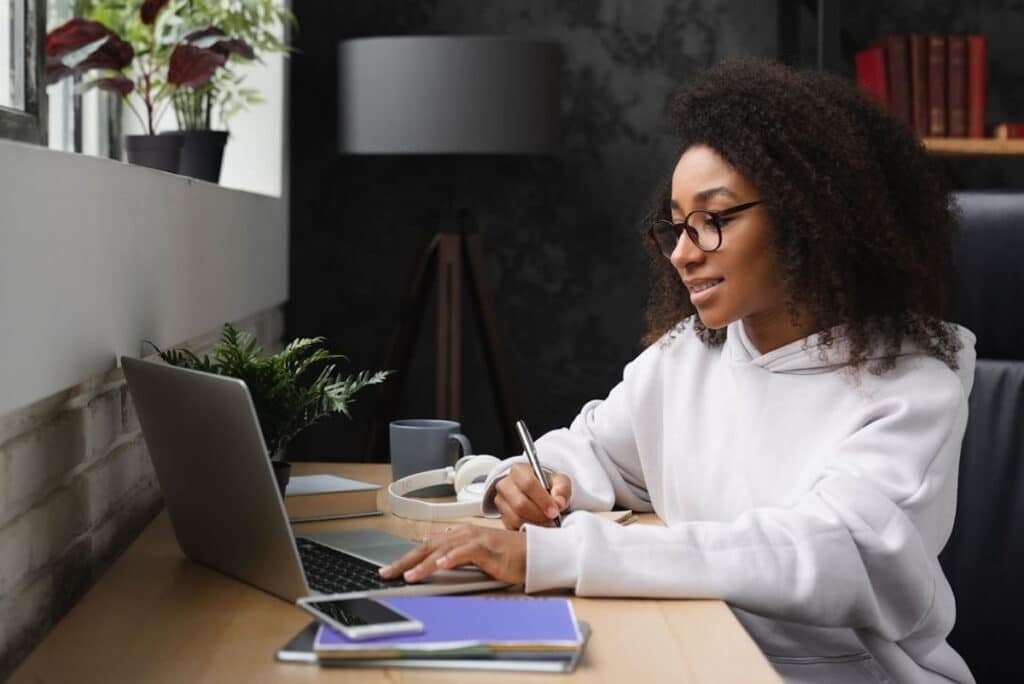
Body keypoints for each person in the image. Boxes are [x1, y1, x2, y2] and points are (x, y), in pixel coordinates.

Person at [379, 57, 976, 684]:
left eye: (715, 221)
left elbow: (818, 551)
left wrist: (558, 553)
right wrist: (537, 475)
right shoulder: (693, 351)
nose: (684, 255)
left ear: (812, 218)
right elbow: (598, 450)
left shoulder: (912, 392)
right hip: (695, 654)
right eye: (678, 227)